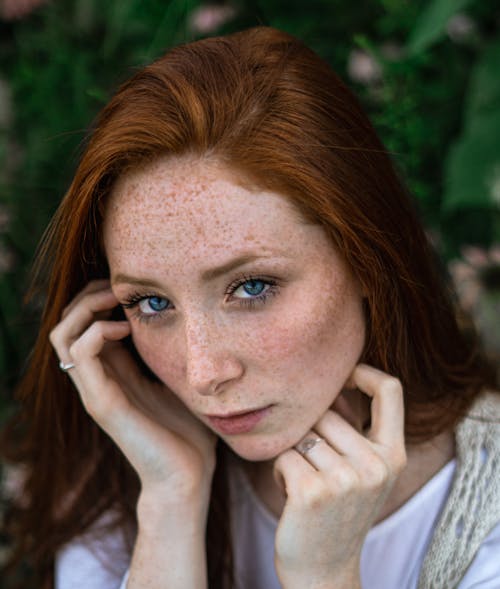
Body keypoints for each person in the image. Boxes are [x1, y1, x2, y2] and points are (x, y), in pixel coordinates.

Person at [1, 26, 499, 589]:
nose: (203, 373)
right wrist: (172, 496)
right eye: (152, 302)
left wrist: (325, 576)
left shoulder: (487, 514)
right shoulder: (127, 478)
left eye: (253, 288)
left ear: (368, 260)